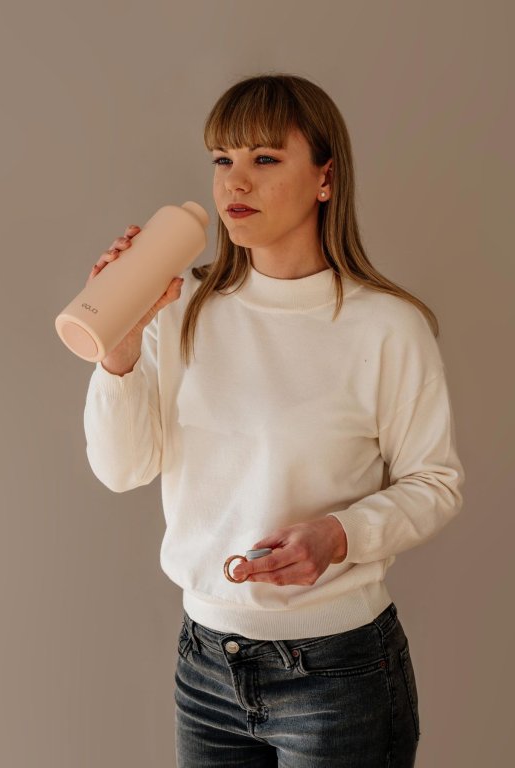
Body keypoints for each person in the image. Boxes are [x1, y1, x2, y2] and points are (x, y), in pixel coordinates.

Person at [82, 73, 465, 768]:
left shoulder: (386, 326)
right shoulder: (179, 305)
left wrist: (340, 535)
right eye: (222, 158)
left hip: (338, 675)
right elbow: (121, 469)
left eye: (264, 158)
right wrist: (119, 350)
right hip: (206, 667)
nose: (235, 181)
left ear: (325, 178)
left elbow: (435, 483)